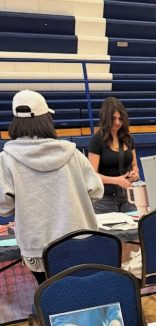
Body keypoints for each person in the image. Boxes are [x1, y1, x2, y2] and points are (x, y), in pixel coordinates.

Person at [0, 90, 103, 284]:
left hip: (37, 246)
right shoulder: (72, 154)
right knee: (84, 292)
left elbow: (4, 207)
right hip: (79, 239)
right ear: (47, 119)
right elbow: (96, 191)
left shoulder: (6, 160)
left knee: (50, 296)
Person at [87, 97, 140, 213]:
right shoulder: (96, 141)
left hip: (128, 195)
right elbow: (92, 175)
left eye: (120, 119)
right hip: (105, 199)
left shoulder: (128, 139)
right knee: (108, 231)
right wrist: (116, 180)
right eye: (113, 119)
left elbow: (134, 165)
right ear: (106, 118)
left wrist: (135, 173)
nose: (117, 122)